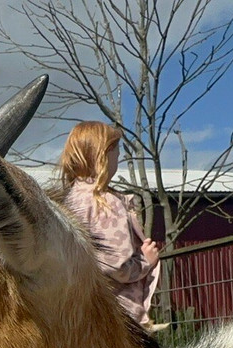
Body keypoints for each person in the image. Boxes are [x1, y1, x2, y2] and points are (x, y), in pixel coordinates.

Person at [59, 120, 163, 330]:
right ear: (103, 156)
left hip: (83, 310)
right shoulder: (105, 203)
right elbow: (117, 266)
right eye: (116, 152)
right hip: (119, 314)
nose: (119, 158)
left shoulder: (69, 201)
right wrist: (146, 261)